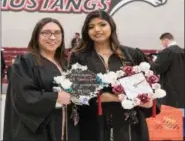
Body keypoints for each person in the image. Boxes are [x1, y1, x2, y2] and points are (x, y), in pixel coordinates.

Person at [70, 10, 161, 141]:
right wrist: (115, 97)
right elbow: (76, 92)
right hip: (93, 124)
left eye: (102, 24)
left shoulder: (132, 54)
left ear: (111, 26)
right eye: (91, 27)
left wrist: (149, 100)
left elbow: (153, 86)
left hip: (130, 124)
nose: (97, 29)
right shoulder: (79, 57)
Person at [3, 17, 79, 141]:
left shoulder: (63, 63)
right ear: (36, 36)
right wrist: (56, 97)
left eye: (57, 33)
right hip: (38, 132)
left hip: (63, 127)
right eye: (46, 33)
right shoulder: (25, 61)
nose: (53, 37)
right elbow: (23, 96)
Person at [152, 33, 184, 108]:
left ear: (165, 40)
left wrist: (154, 62)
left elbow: (158, 68)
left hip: (170, 86)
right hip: (182, 87)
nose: (162, 44)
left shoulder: (167, 52)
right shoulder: (182, 51)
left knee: (170, 113)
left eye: (162, 42)